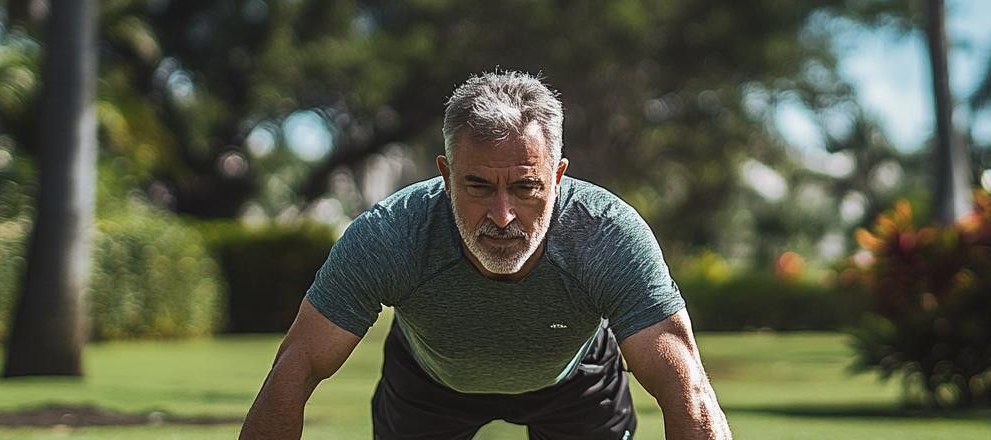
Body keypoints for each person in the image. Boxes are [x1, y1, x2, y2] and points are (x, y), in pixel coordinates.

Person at [239, 71, 731, 440]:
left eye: (525, 187)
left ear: (557, 178)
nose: (502, 215)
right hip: (426, 386)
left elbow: (686, 389)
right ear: (446, 174)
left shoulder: (607, 237)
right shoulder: (391, 236)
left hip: (576, 382)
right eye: (478, 185)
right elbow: (296, 368)